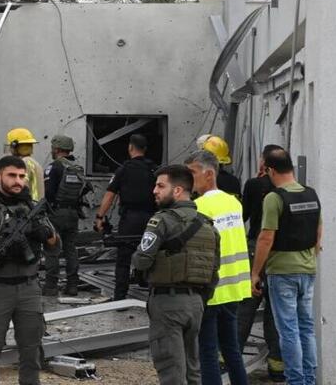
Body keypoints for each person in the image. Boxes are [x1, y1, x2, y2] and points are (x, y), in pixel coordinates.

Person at [0, 156, 58, 385]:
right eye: (12, 175)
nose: (18, 181)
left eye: (21, 176)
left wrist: (43, 232)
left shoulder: (33, 208)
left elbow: (56, 244)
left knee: (31, 350)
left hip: (28, 288)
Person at [132, 165, 220, 385]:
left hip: (167, 302)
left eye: (161, 186)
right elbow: (214, 272)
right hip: (196, 304)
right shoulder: (208, 224)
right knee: (192, 370)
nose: (154, 190)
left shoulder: (161, 220)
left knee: (171, 369)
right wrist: (200, 298)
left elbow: (142, 260)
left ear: (178, 190)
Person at [250, 151, 322, 385]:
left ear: (270, 170)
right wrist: (311, 256)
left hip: (283, 273)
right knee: (307, 329)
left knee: (289, 330)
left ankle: (296, 381)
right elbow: (318, 232)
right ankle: (309, 380)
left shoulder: (274, 197)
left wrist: (254, 273)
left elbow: (266, 238)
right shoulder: (311, 194)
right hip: (307, 270)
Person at [185, 150, 251, 385]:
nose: (188, 178)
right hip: (234, 288)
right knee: (232, 350)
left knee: (208, 352)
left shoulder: (200, 207)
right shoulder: (233, 202)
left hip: (211, 290)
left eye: (192, 172)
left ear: (209, 173)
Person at [237, 144, 285, 381]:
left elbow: (242, 216)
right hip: (280, 253)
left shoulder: (254, 185)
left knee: (245, 306)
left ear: (264, 164)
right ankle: (277, 366)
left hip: (256, 247)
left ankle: (229, 359)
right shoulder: (286, 188)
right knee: (274, 310)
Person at [94, 134, 158, 300]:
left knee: (124, 258)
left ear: (130, 147)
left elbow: (109, 195)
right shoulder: (155, 169)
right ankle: (149, 289)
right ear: (145, 149)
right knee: (150, 253)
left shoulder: (123, 169)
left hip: (130, 219)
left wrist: (100, 216)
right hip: (152, 218)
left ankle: (120, 296)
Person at [42, 134, 93, 297]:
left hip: (55, 213)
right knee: (71, 249)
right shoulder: (77, 168)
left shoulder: (54, 167)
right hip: (73, 214)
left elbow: (48, 192)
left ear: (56, 149)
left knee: (52, 249)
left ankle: (50, 286)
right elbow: (84, 189)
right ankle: (72, 285)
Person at [6, 128, 45, 203]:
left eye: (11, 147)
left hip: (29, 208)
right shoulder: (33, 162)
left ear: (15, 146)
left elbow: (20, 189)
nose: (10, 150)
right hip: (36, 208)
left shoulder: (24, 163)